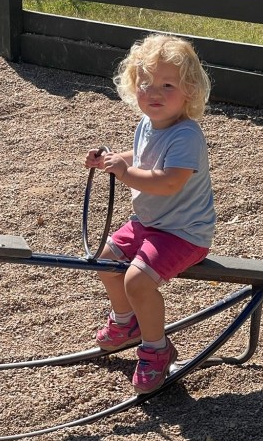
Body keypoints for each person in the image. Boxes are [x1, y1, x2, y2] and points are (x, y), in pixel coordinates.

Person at [84, 34, 216, 394]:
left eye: (167, 85)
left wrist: (125, 173)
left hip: (183, 233)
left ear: (189, 91)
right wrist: (112, 160)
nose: (154, 93)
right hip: (148, 224)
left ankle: (157, 349)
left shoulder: (186, 135)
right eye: (145, 83)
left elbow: (169, 182)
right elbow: (141, 157)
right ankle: (126, 322)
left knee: (137, 282)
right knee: (104, 260)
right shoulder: (147, 124)